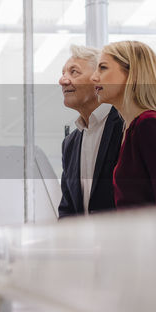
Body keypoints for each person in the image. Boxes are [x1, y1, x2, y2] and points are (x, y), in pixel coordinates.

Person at [90, 40, 156, 210]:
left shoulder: (150, 125)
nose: (93, 77)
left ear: (132, 73)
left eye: (103, 67)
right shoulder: (134, 128)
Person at [57, 46, 124, 218]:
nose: (63, 81)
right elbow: (68, 208)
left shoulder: (126, 127)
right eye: (63, 73)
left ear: (98, 79)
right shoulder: (70, 143)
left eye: (74, 72)